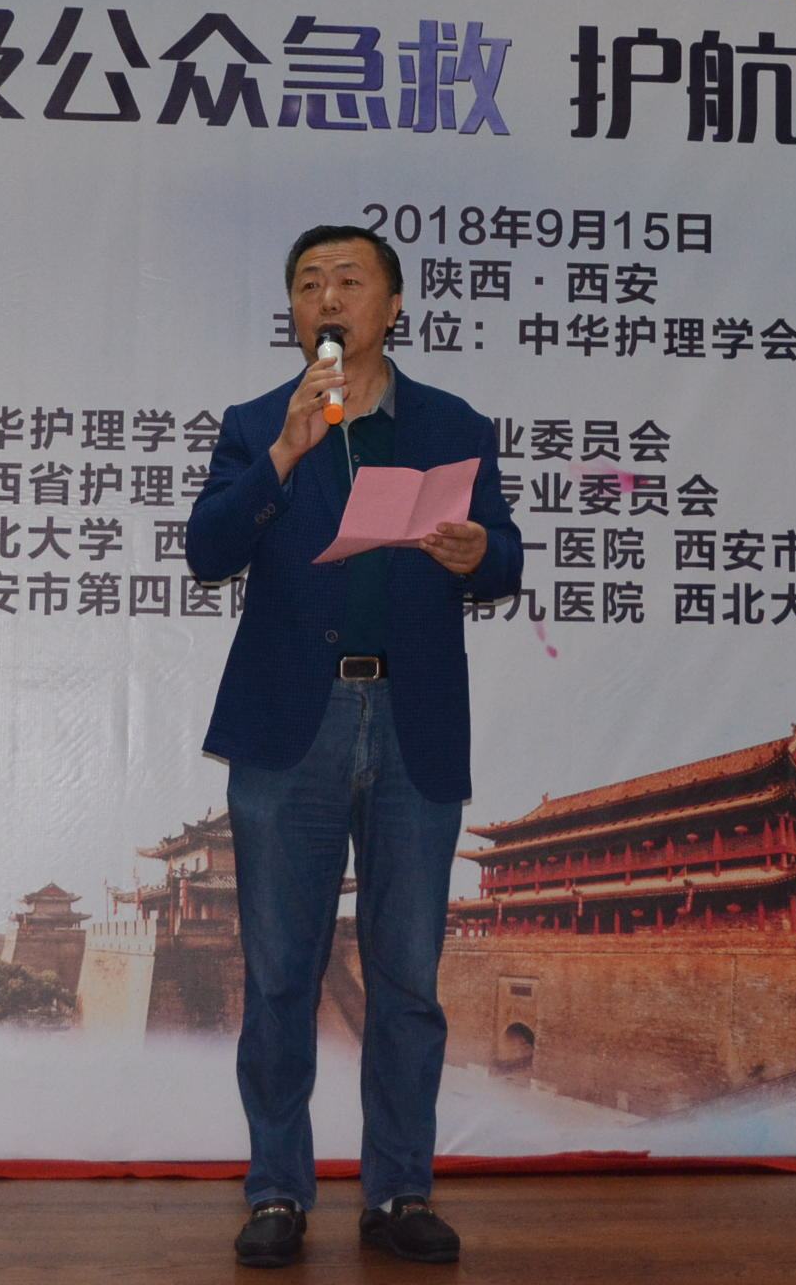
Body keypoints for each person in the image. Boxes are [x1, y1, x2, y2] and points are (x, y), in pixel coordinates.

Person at [185, 225, 523, 1269]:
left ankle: (399, 1190)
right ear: (292, 312)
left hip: (413, 722)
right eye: (307, 284)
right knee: (281, 973)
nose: (325, 298)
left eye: (347, 280)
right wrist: (284, 453)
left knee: (407, 978)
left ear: (393, 304)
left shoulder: (451, 424)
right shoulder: (256, 424)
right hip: (293, 724)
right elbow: (207, 550)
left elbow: (503, 559)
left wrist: (478, 550)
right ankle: (277, 1192)